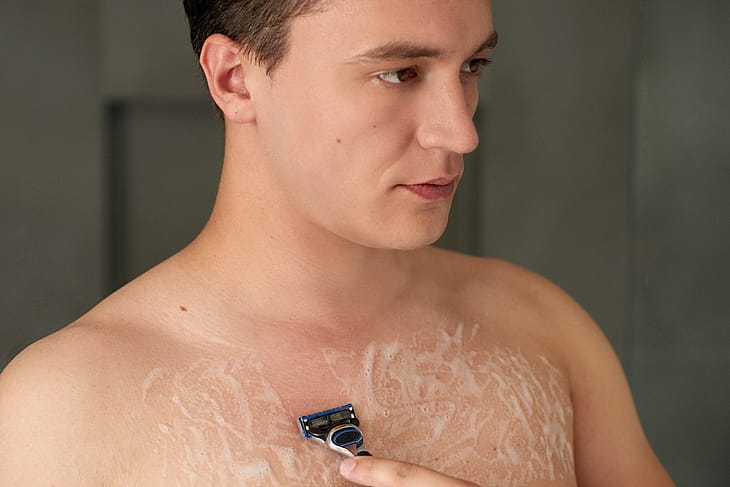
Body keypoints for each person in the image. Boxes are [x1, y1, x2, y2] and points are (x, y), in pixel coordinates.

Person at [0, 1, 675, 485]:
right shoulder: (61, 409)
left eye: (473, 65)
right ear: (235, 78)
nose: (460, 131)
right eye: (400, 72)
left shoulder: (543, 329)